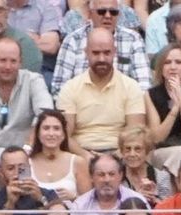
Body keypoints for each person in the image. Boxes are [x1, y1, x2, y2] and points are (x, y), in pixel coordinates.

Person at [58, 27, 146, 156]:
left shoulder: (131, 87)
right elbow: (65, 135)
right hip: (81, 153)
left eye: (106, 53)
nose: (102, 59)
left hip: (121, 154)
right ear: (86, 52)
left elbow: (135, 133)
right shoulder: (70, 88)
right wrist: (86, 156)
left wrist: (114, 157)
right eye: (95, 53)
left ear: (114, 52)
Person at [51, 3, 150, 93]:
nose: (108, 16)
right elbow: (59, 87)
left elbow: (144, 86)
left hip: (123, 106)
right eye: (101, 12)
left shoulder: (133, 39)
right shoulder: (73, 40)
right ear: (90, 14)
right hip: (81, 106)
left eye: (113, 12)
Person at [27, 109, 88, 202]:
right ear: (38, 134)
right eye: (46, 128)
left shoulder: (78, 162)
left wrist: (74, 198)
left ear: (64, 134)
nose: (51, 134)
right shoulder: (27, 162)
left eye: (56, 128)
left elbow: (89, 204)